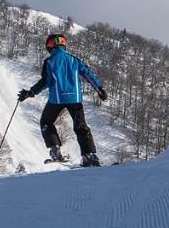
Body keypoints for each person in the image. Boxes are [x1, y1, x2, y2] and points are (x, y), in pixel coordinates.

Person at [18, 33, 107, 167]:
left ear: (50, 46)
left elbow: (45, 81)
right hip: (74, 98)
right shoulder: (74, 59)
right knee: (81, 126)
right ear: (63, 44)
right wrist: (100, 89)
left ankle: (56, 151)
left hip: (57, 98)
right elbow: (88, 74)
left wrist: (30, 93)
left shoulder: (49, 62)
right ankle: (89, 156)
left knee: (46, 122)